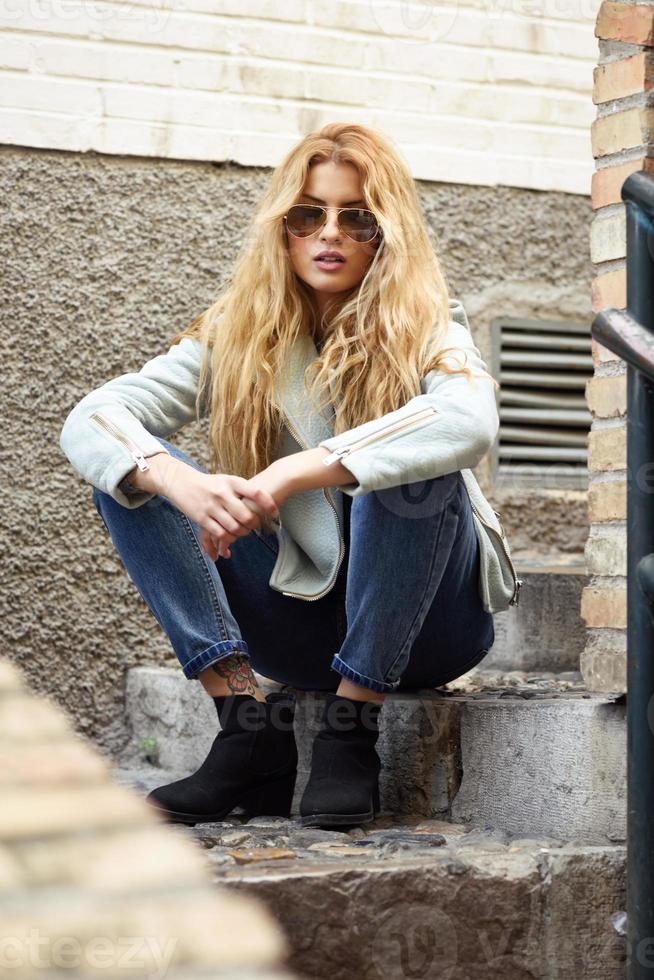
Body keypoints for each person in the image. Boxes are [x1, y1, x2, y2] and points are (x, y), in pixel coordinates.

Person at [59, 122, 501, 831]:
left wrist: (295, 471)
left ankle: (349, 736)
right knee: (127, 472)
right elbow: (94, 416)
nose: (329, 233)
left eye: (355, 218)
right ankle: (247, 732)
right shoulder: (238, 335)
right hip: (297, 625)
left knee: (413, 466)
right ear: (283, 229)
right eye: (307, 215)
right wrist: (176, 479)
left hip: (430, 627)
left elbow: (470, 423)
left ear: (384, 235)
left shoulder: (430, 328)